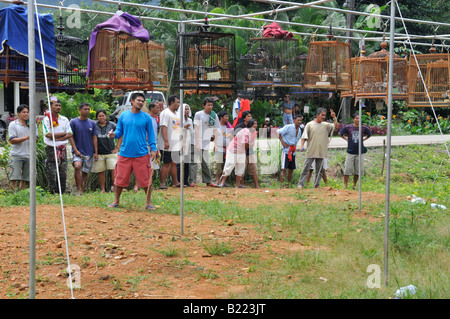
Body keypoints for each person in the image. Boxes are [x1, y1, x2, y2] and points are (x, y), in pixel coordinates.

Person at [107, 92, 157, 210]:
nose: (140, 102)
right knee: (119, 178)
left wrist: (153, 149)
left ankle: (148, 203)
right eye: (138, 100)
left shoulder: (146, 118)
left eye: (142, 101)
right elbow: (119, 132)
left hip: (142, 153)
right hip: (125, 153)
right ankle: (116, 201)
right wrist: (113, 134)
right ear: (132, 101)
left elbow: (151, 135)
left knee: (146, 179)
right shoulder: (123, 116)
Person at [297, 107, 338, 189]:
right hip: (311, 150)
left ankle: (316, 185)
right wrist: (302, 146)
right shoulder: (309, 124)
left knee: (319, 170)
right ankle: (300, 184)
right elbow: (304, 137)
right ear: (317, 115)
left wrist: (334, 117)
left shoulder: (326, 125)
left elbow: (336, 127)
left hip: (321, 151)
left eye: (325, 115)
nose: (323, 117)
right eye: (322, 115)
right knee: (306, 168)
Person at [42, 98, 73, 194]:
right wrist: (63, 134)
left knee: (63, 172)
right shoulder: (47, 119)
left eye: (59, 105)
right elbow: (48, 135)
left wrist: (58, 139)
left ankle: (62, 193)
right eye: (56, 105)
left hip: (62, 149)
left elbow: (70, 134)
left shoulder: (64, 119)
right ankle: (51, 193)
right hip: (51, 149)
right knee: (51, 172)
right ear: (50, 106)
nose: (58, 107)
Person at [218, 119, 258, 188]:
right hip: (233, 149)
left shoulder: (254, 132)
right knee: (229, 166)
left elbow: (249, 144)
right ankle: (222, 183)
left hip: (242, 151)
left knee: (240, 168)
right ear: (251, 125)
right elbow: (245, 144)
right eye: (254, 124)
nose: (256, 125)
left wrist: (249, 145)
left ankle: (238, 184)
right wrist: (249, 145)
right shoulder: (246, 131)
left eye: (256, 124)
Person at [69, 102, 98, 195]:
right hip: (78, 151)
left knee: (85, 172)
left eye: (88, 109)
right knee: (77, 166)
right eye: (85, 109)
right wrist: (75, 149)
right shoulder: (73, 122)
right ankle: (79, 189)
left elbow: (94, 137)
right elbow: (70, 136)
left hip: (89, 151)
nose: (87, 111)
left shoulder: (92, 123)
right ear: (80, 110)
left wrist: (95, 152)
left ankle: (81, 189)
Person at [339, 112, 372, 189]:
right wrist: (346, 139)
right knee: (347, 169)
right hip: (350, 152)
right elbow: (340, 133)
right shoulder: (348, 127)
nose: (358, 120)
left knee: (358, 170)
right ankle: (345, 185)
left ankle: (354, 185)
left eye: (359, 118)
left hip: (360, 152)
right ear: (353, 119)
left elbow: (369, 134)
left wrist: (363, 139)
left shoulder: (364, 128)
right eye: (356, 118)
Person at [7, 104, 38, 190]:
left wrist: (33, 137)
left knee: (26, 179)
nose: (26, 114)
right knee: (14, 177)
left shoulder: (32, 124)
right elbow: (12, 140)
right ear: (18, 113)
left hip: (29, 155)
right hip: (17, 154)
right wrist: (26, 137)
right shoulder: (13, 124)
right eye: (24, 112)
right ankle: (13, 197)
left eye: (28, 112)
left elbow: (36, 139)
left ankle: (22, 196)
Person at [91, 109, 120, 193]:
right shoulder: (94, 125)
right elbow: (94, 139)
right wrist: (95, 153)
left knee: (114, 170)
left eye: (103, 115)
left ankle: (115, 188)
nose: (101, 117)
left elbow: (120, 134)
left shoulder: (112, 125)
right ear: (97, 117)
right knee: (101, 171)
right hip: (99, 153)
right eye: (99, 116)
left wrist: (117, 148)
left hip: (111, 152)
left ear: (106, 116)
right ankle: (103, 189)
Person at [193, 97, 220, 187]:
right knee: (193, 161)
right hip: (197, 140)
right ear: (204, 105)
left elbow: (215, 130)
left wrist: (215, 144)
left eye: (211, 105)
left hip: (206, 142)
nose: (210, 107)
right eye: (208, 105)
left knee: (205, 161)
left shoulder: (214, 115)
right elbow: (196, 129)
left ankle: (208, 181)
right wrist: (197, 143)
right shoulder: (198, 114)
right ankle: (192, 181)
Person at [159, 94, 181, 189]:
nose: (179, 104)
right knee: (166, 163)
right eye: (178, 102)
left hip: (176, 144)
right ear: (172, 102)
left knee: (174, 163)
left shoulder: (177, 114)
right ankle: (162, 183)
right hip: (167, 144)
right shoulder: (165, 113)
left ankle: (175, 182)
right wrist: (166, 141)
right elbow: (164, 127)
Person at [278, 115, 303, 189]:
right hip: (286, 150)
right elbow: (279, 132)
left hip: (293, 151)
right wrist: (282, 142)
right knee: (284, 168)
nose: (299, 122)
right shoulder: (288, 127)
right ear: (294, 120)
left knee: (291, 169)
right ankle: (281, 185)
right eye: (298, 120)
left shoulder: (299, 130)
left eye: (300, 120)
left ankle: (287, 185)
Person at [214, 110, 233, 185]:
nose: (227, 118)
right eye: (226, 116)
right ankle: (217, 180)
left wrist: (230, 135)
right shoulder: (217, 126)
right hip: (219, 147)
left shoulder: (229, 126)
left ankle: (223, 181)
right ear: (221, 117)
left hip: (227, 148)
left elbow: (233, 137)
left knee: (226, 165)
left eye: (227, 116)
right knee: (218, 164)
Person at [177, 103, 192, 187]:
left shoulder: (190, 120)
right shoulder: (179, 120)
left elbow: (192, 131)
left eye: (187, 109)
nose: (187, 111)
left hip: (188, 141)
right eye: (185, 109)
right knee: (179, 162)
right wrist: (184, 128)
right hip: (179, 142)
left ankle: (186, 180)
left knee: (187, 162)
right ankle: (179, 180)